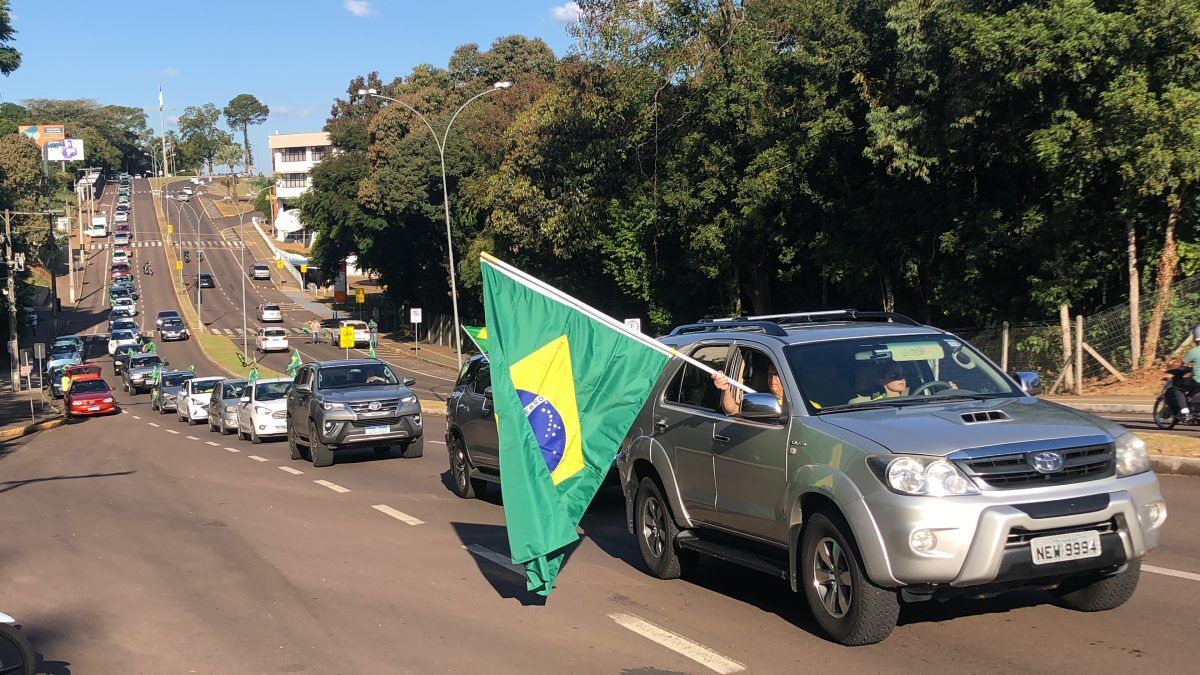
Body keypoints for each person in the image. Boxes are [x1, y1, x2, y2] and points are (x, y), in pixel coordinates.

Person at [712, 363, 785, 416]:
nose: (772, 379)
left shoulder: (795, 397)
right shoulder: (762, 399)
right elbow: (732, 410)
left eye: (777, 375)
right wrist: (726, 389)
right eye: (770, 374)